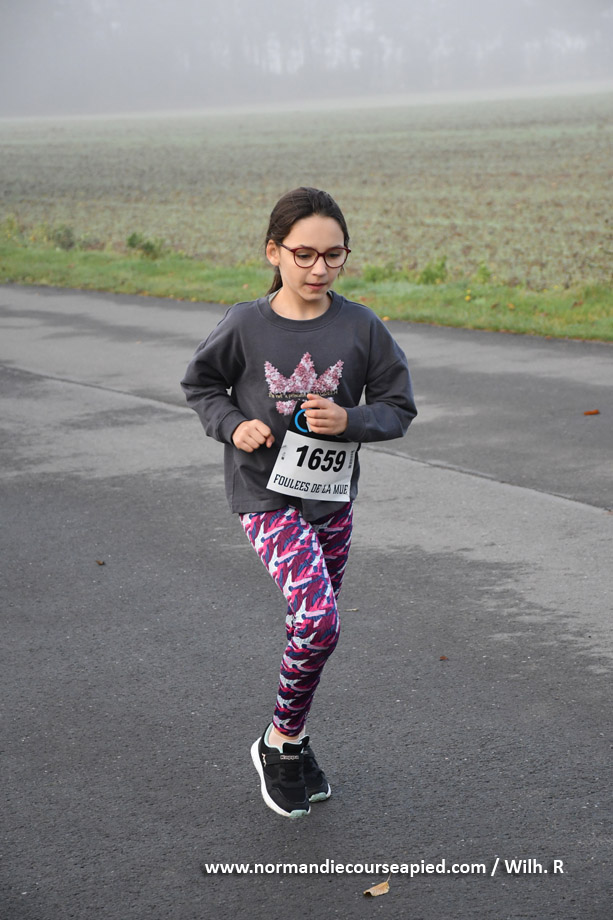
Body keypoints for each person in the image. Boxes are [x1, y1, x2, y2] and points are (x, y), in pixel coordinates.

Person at [181, 187, 417, 819]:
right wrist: (232, 425)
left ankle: (291, 737)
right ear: (274, 252)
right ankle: (280, 742)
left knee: (311, 628)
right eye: (304, 254)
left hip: (330, 500)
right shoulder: (245, 324)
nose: (319, 268)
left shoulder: (362, 326)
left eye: (334, 255)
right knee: (318, 621)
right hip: (265, 497)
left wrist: (351, 419)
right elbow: (201, 384)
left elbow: (398, 408)